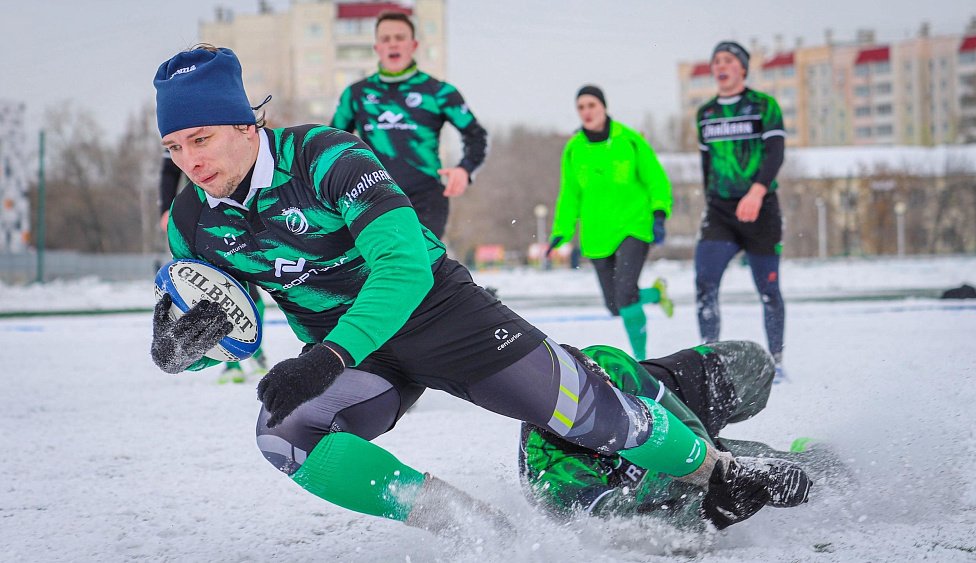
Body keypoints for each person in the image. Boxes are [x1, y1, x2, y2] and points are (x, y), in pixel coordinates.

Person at [150, 45, 811, 540]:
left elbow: (403, 269)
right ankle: (478, 529)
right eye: (175, 146)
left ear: (245, 125)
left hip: (439, 313)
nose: (191, 160)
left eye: (201, 138)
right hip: (363, 361)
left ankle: (716, 468)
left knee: (587, 410)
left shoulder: (327, 157)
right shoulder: (192, 220)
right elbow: (228, 321)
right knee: (283, 435)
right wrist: (186, 349)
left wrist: (327, 354)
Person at [521, 340, 830, 531]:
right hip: (645, 480)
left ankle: (726, 455)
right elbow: (632, 528)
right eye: (599, 415)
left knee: (756, 362)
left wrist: (720, 466)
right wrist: (720, 503)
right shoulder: (555, 477)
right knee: (805, 479)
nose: (611, 412)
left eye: (608, 398)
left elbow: (685, 425)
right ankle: (816, 460)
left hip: (671, 412)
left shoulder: (606, 362)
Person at [329, 11, 487, 240]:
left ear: (413, 45)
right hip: (371, 194)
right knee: (379, 265)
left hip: (426, 198)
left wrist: (465, 169)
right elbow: (333, 144)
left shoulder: (438, 92)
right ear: (377, 48)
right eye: (385, 39)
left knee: (420, 265)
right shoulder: (357, 94)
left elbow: (476, 136)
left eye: (400, 37)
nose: (393, 44)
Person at [547, 85, 674, 361]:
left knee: (626, 292)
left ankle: (641, 359)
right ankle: (654, 294)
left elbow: (656, 178)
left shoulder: (628, 140)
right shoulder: (573, 149)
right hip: (597, 232)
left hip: (634, 224)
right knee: (615, 305)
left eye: (591, 105)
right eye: (581, 107)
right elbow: (570, 194)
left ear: (604, 107)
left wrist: (659, 213)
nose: (586, 112)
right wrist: (561, 231)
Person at [694, 41, 787, 381]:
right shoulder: (705, 113)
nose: (722, 65)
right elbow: (706, 164)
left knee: (768, 289)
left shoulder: (764, 106)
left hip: (761, 208)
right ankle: (711, 360)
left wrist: (757, 192)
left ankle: (776, 361)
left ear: (743, 68)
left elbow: (775, 154)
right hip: (720, 212)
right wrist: (711, 202)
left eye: (729, 60)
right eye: (716, 60)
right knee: (705, 284)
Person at [159, 149, 268, 384]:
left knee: (249, 290)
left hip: (238, 209)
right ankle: (232, 362)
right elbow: (169, 170)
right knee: (216, 291)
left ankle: (256, 353)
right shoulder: (176, 132)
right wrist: (165, 209)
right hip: (202, 220)